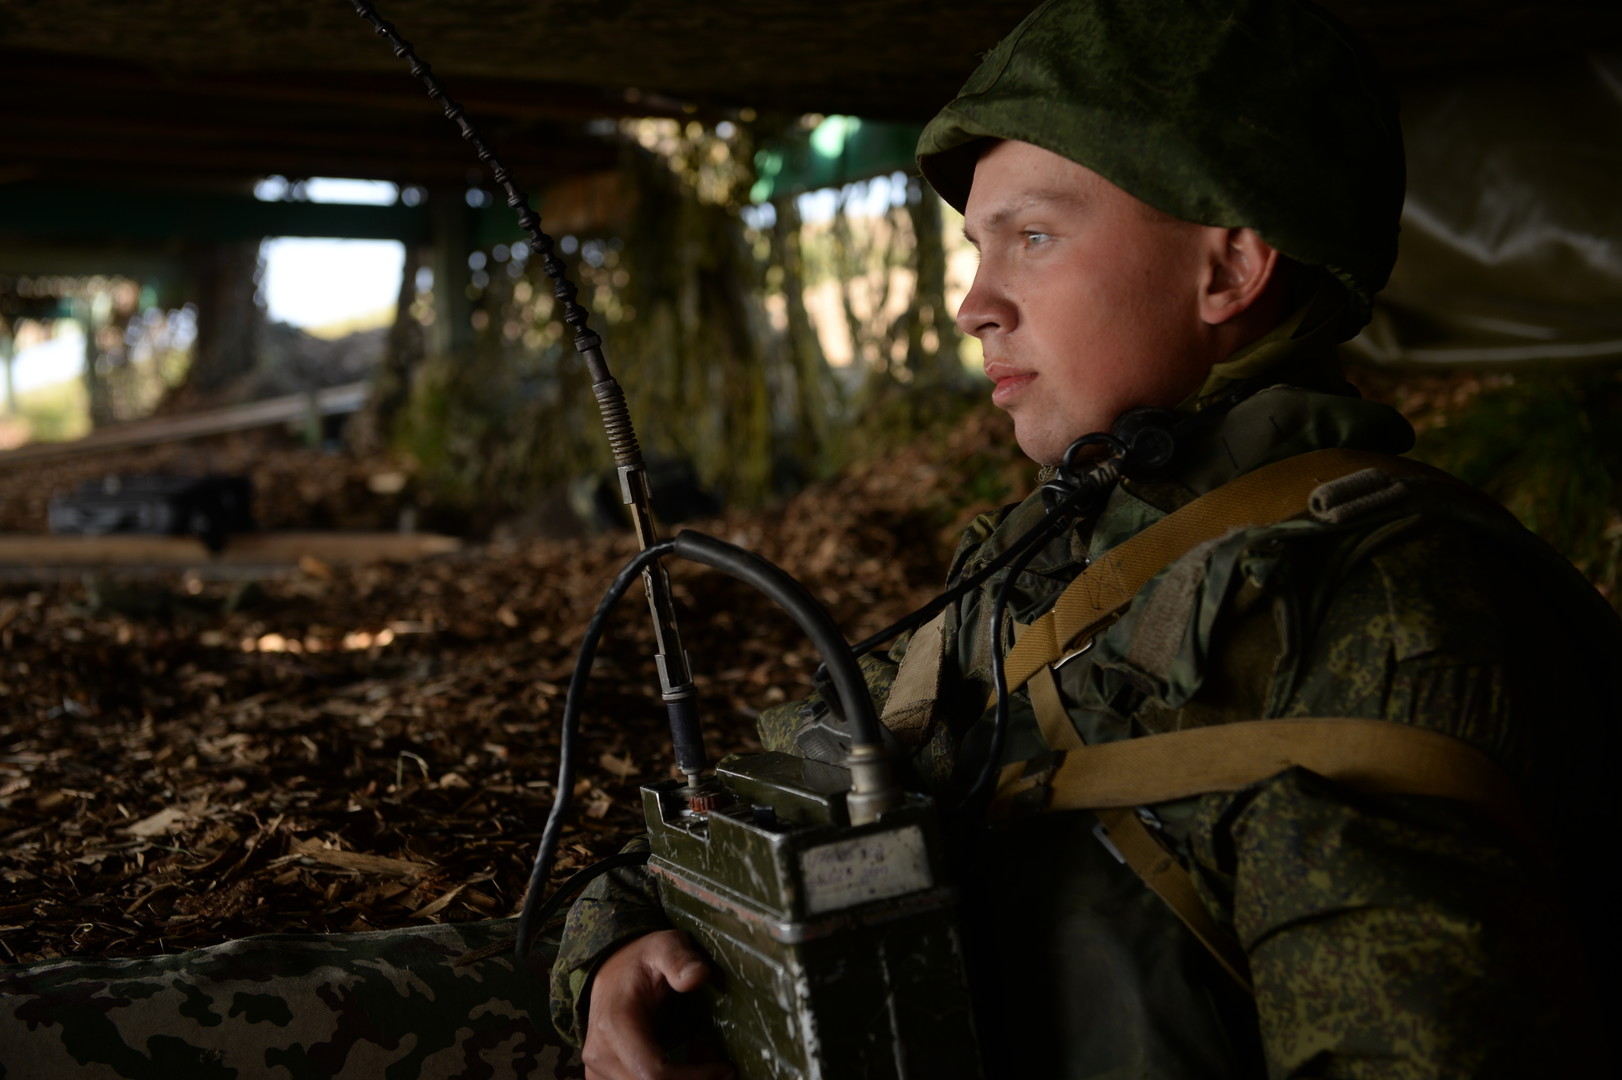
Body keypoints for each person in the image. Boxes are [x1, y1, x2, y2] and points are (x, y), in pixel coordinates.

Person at [554, 1, 1616, 1078]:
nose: (973, 304)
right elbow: (744, 800)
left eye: (1034, 236)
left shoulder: (1366, 606)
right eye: (976, 247)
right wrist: (611, 954)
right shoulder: (1041, 552)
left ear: (1227, 269)